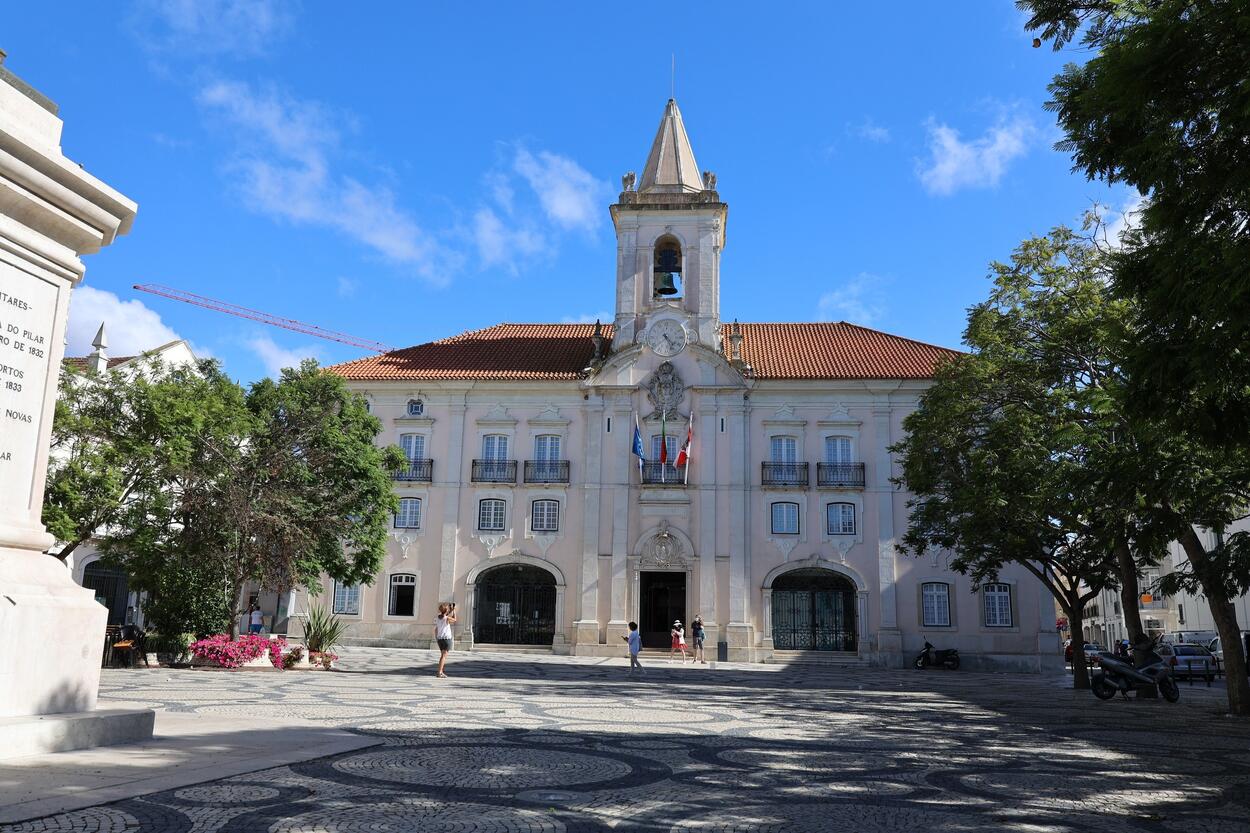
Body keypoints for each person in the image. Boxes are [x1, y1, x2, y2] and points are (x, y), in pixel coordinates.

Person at [435, 602, 457, 678]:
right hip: (446, 639)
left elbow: (444, 616)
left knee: (442, 655)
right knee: (443, 656)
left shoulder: (438, 617)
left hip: (440, 639)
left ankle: (441, 671)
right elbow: (454, 620)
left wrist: (449, 611)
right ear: (446, 610)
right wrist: (454, 611)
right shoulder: (447, 618)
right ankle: (440, 672)